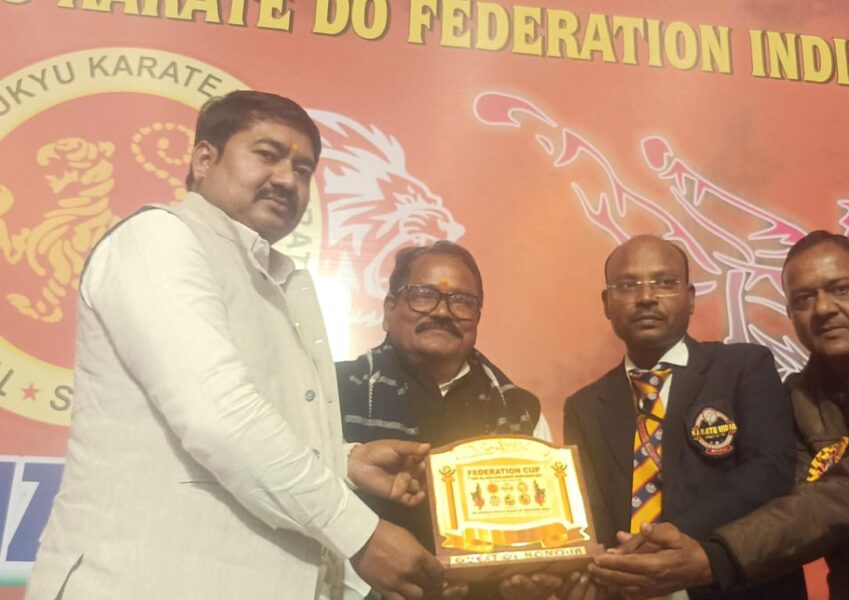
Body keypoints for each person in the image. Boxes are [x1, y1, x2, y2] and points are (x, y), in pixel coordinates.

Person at [26, 91, 443, 600]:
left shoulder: (270, 279)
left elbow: (244, 423)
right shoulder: (159, 238)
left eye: (304, 169)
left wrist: (344, 462)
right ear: (205, 159)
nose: (287, 179)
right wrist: (361, 534)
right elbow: (218, 416)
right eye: (267, 154)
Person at [591, 231, 849, 600]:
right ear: (789, 313)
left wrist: (714, 559)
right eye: (803, 299)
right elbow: (789, 501)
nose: (823, 309)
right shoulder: (804, 396)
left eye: (841, 289)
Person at [563, 235, 806, 600]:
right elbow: (591, 518)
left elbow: (770, 473)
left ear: (690, 299)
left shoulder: (743, 367)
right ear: (607, 303)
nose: (646, 297)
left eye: (665, 283)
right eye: (628, 285)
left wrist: (659, 539)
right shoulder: (584, 407)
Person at [337, 240, 556, 600]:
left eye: (462, 301)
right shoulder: (333, 390)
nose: (442, 312)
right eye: (423, 295)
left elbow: (540, 532)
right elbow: (300, 492)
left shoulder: (521, 411)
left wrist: (528, 576)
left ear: (477, 319)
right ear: (389, 310)